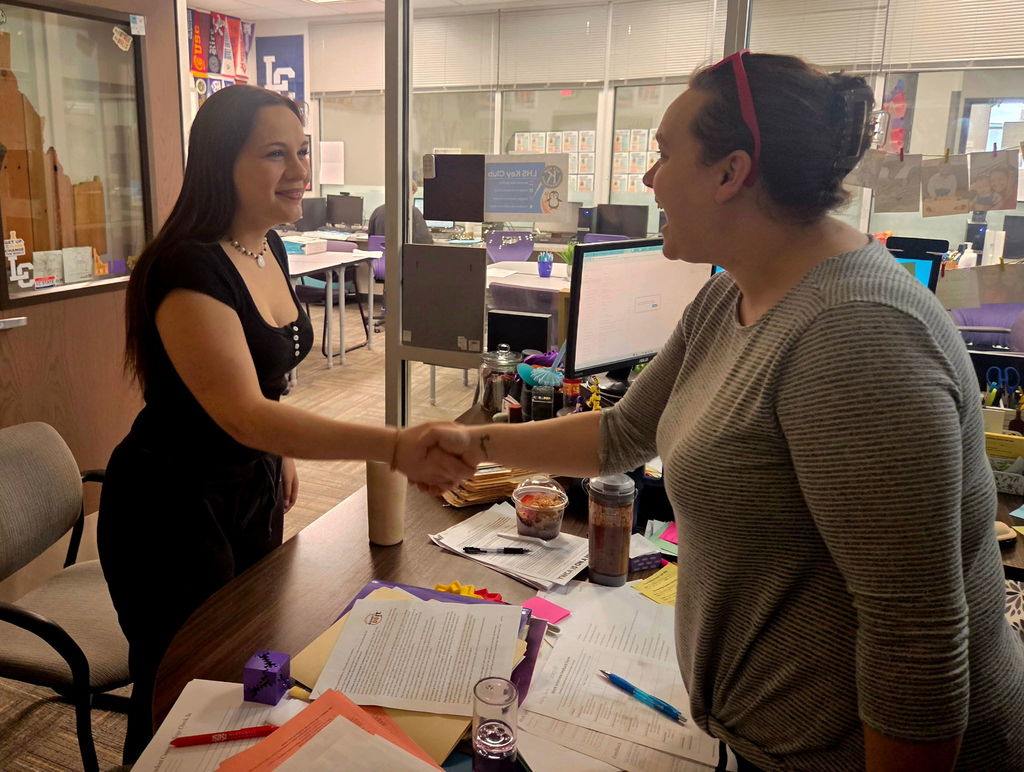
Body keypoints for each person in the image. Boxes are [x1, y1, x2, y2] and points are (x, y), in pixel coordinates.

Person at [417, 52, 1024, 770]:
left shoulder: (857, 333)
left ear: (731, 173)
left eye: (664, 155)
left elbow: (913, 638)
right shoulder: (729, 295)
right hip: (767, 737)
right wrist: (476, 441)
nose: (648, 181)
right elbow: (622, 431)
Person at [98, 85, 471, 763]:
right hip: (171, 505)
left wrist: (281, 452)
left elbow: (258, 390)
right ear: (220, 164)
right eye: (276, 154)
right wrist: (392, 444)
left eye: (301, 151)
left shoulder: (268, 246)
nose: (301, 170)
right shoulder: (188, 265)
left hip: (251, 484)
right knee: (182, 680)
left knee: (248, 660)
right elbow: (242, 412)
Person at [367, 180, 434, 244]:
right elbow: (425, 240)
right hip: (402, 254)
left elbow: (370, 236)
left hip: (380, 253)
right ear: (411, 192)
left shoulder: (377, 211)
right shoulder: (412, 211)